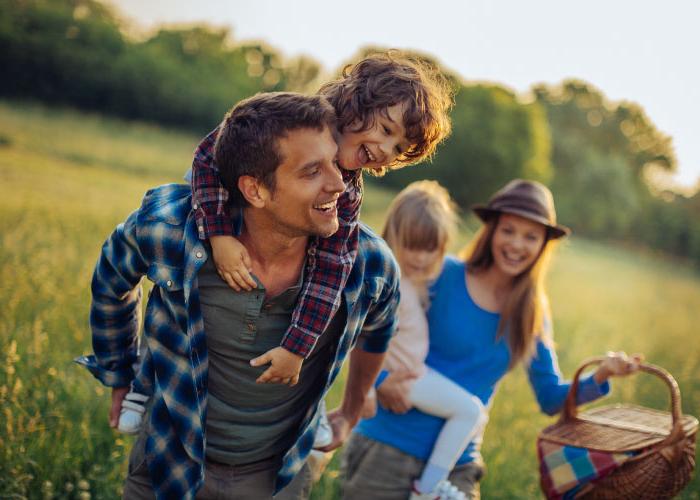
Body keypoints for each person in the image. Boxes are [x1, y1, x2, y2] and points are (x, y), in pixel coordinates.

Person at [76, 92, 402, 499]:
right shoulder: (171, 230)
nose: (340, 183)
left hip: (276, 478)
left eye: (334, 162)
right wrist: (118, 370)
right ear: (255, 190)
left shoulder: (368, 265)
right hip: (167, 460)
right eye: (312, 171)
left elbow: (380, 328)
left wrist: (352, 411)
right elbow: (111, 279)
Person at [118, 50, 454, 434]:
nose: (384, 151)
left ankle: (306, 415)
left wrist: (297, 347)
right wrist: (219, 235)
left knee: (278, 316)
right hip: (217, 211)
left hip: (276, 258)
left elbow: (332, 270)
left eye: (396, 151)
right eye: (387, 130)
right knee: (180, 290)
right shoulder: (288, 120)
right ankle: (144, 383)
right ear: (357, 100)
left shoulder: (347, 192)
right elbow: (208, 157)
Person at [341, 179, 643, 500]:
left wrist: (602, 375)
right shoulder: (441, 273)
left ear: (543, 246)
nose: (517, 244)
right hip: (388, 446)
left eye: (531, 236)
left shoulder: (532, 314)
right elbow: (371, 325)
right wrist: (379, 381)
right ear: (492, 231)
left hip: (457, 465)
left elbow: (551, 398)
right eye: (508, 230)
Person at [361, 181, 487, 500]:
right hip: (405, 376)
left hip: (414, 371)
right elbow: (358, 334)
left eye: (430, 248)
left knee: (473, 413)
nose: (420, 257)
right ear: (394, 235)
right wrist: (368, 386)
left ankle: (431, 484)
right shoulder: (390, 281)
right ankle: (428, 489)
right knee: (470, 412)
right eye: (412, 246)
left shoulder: (415, 277)